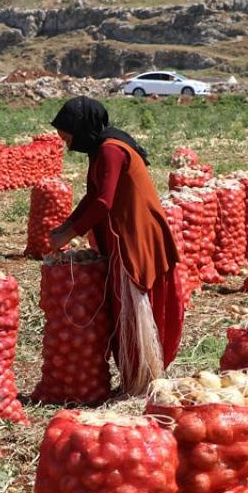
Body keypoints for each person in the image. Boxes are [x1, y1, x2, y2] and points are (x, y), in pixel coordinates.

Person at [47, 96, 185, 396]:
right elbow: (92, 196)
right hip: (123, 231)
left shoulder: (110, 150)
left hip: (135, 233)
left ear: (81, 126)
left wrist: (70, 234)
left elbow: (103, 202)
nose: (66, 142)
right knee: (123, 305)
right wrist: (66, 225)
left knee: (133, 304)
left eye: (67, 135)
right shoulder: (99, 149)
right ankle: (137, 377)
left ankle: (142, 379)